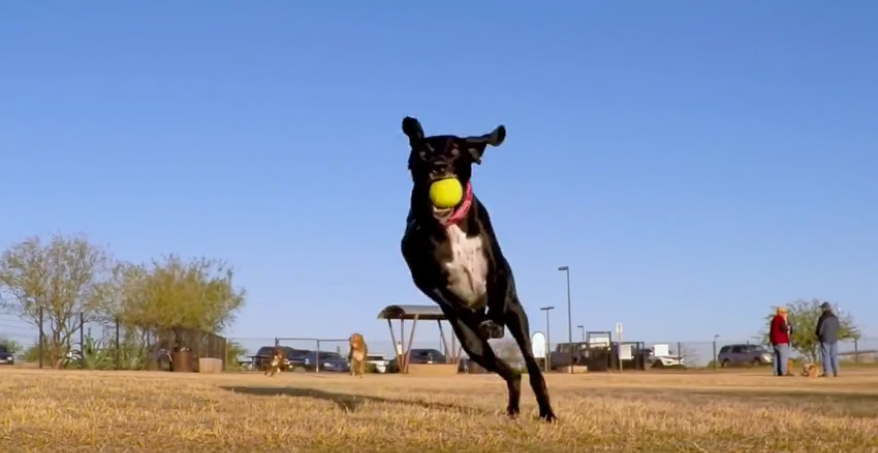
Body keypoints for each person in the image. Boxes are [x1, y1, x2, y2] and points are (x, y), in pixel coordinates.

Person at [815, 302, 840, 377]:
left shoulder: (822, 318)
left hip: (825, 338)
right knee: (834, 355)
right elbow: (838, 327)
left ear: (824, 309)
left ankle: (827, 372)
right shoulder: (835, 318)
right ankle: (836, 371)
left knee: (826, 355)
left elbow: (820, 330)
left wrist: (818, 336)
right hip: (834, 338)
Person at [769, 307, 791, 376]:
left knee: (776, 357)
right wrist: (788, 326)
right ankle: (783, 372)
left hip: (775, 341)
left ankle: (776, 372)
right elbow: (784, 329)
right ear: (781, 312)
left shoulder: (774, 319)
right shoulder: (780, 319)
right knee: (783, 357)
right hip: (781, 340)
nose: (785, 314)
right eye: (784, 312)